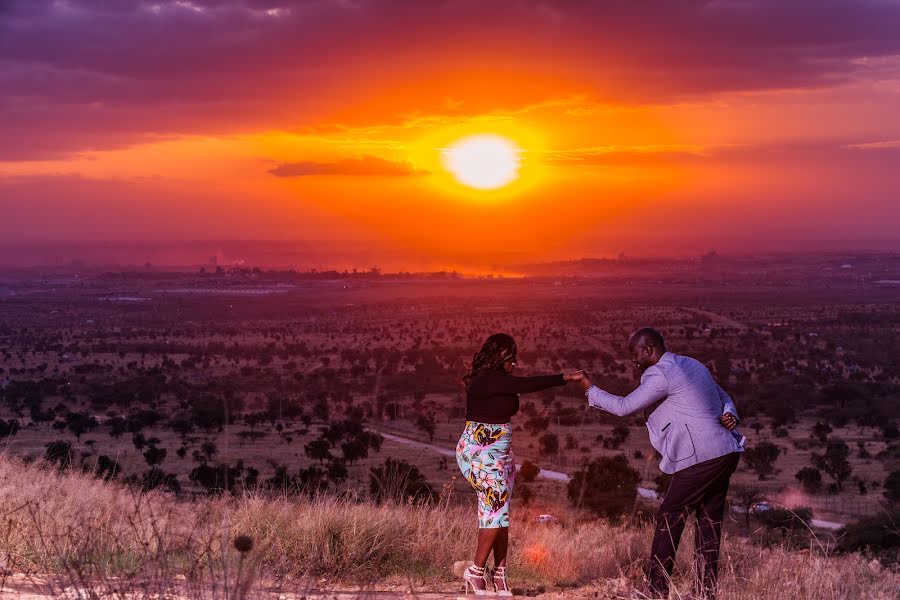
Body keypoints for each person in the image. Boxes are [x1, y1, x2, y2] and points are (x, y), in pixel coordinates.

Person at [579, 328, 744, 600]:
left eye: (634, 355)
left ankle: (656, 590)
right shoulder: (692, 363)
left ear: (648, 350)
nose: (632, 361)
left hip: (701, 456)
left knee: (670, 517)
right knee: (708, 522)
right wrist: (730, 413)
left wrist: (590, 389)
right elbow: (723, 395)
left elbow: (623, 406)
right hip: (725, 451)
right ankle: (705, 593)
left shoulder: (660, 373)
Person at [457, 333, 584, 596]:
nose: (515, 363)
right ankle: (476, 571)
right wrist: (565, 378)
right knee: (496, 508)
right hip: (480, 451)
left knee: (499, 512)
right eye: (511, 358)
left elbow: (520, 384)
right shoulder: (484, 380)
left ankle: (500, 574)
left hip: (500, 452)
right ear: (499, 357)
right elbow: (528, 384)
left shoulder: (499, 379)